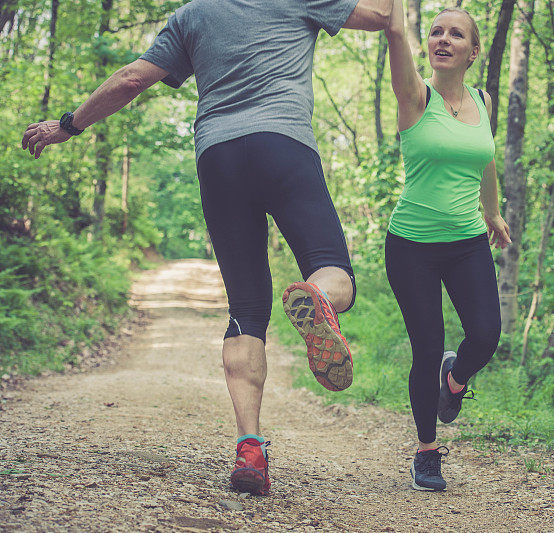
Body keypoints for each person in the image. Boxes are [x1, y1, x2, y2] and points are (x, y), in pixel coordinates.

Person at [21, 0, 394, 496]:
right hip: (285, 146)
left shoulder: (192, 14)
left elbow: (133, 79)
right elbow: (381, 15)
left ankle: (250, 448)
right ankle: (319, 297)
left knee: (246, 307)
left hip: (218, 158)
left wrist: (67, 126)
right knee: (333, 269)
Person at [383, 1, 511, 492]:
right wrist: (396, 20)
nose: (443, 40)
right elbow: (398, 41)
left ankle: (454, 381)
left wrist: (492, 212)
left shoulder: (482, 100)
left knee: (485, 334)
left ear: (473, 51)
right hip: (411, 244)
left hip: (466, 242)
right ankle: (427, 451)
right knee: (427, 345)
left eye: (456, 35)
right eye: (436, 32)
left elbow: (487, 160)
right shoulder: (415, 96)